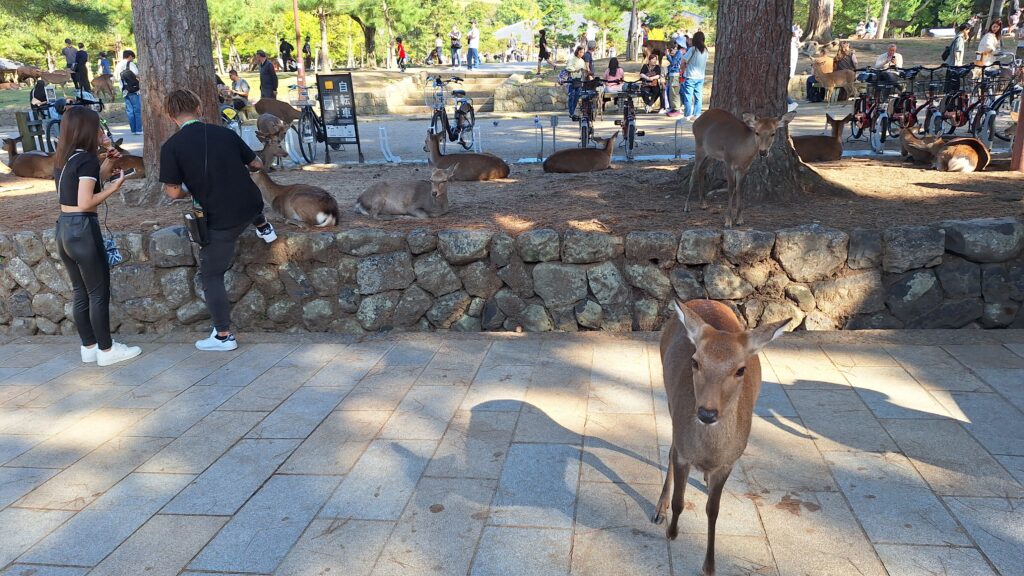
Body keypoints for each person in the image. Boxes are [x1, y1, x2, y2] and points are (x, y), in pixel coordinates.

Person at [160, 89, 273, 352]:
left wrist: (191, 187)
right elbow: (256, 165)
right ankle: (263, 226)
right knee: (248, 196)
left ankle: (223, 335)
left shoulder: (172, 147)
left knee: (210, 274)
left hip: (220, 219)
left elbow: (173, 192)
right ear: (199, 108)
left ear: (170, 115)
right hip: (250, 205)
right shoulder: (225, 133)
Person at [53, 106, 140, 366]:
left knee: (81, 292)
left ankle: (89, 346)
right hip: (83, 229)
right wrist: (114, 187)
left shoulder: (65, 158)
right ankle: (107, 350)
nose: (102, 130)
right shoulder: (86, 160)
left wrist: (109, 163)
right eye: (98, 126)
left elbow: (84, 185)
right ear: (88, 130)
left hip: (64, 228)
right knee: (98, 293)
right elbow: (86, 200)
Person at [682, 31, 709, 120]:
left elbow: (684, 61)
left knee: (688, 96)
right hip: (700, 77)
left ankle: (687, 114)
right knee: (698, 96)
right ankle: (697, 114)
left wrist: (682, 70)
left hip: (690, 76)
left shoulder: (692, 49)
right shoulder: (705, 50)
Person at [115, 50, 143, 134]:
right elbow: (137, 74)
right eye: (132, 58)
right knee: (137, 110)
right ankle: (138, 129)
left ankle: (133, 130)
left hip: (124, 90)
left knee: (130, 111)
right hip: (133, 90)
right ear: (130, 56)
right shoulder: (130, 64)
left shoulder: (118, 65)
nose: (132, 59)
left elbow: (116, 77)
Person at [565, 45, 586, 119]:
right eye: (581, 52)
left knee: (577, 97)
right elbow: (568, 67)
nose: (582, 54)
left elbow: (584, 69)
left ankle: (573, 111)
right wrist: (574, 70)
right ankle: (571, 112)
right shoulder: (572, 58)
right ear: (577, 51)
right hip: (572, 79)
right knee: (571, 96)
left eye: (583, 52)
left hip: (579, 80)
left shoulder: (582, 61)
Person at [665, 40, 684, 117]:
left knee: (674, 91)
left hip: (675, 75)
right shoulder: (677, 52)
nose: (671, 51)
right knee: (671, 92)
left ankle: (677, 108)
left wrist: (668, 55)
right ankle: (674, 107)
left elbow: (673, 62)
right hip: (672, 74)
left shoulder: (679, 52)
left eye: (671, 49)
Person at [786, 25, 800, 113]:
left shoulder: (791, 45)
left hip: (788, 69)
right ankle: (789, 103)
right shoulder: (792, 44)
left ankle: (790, 103)